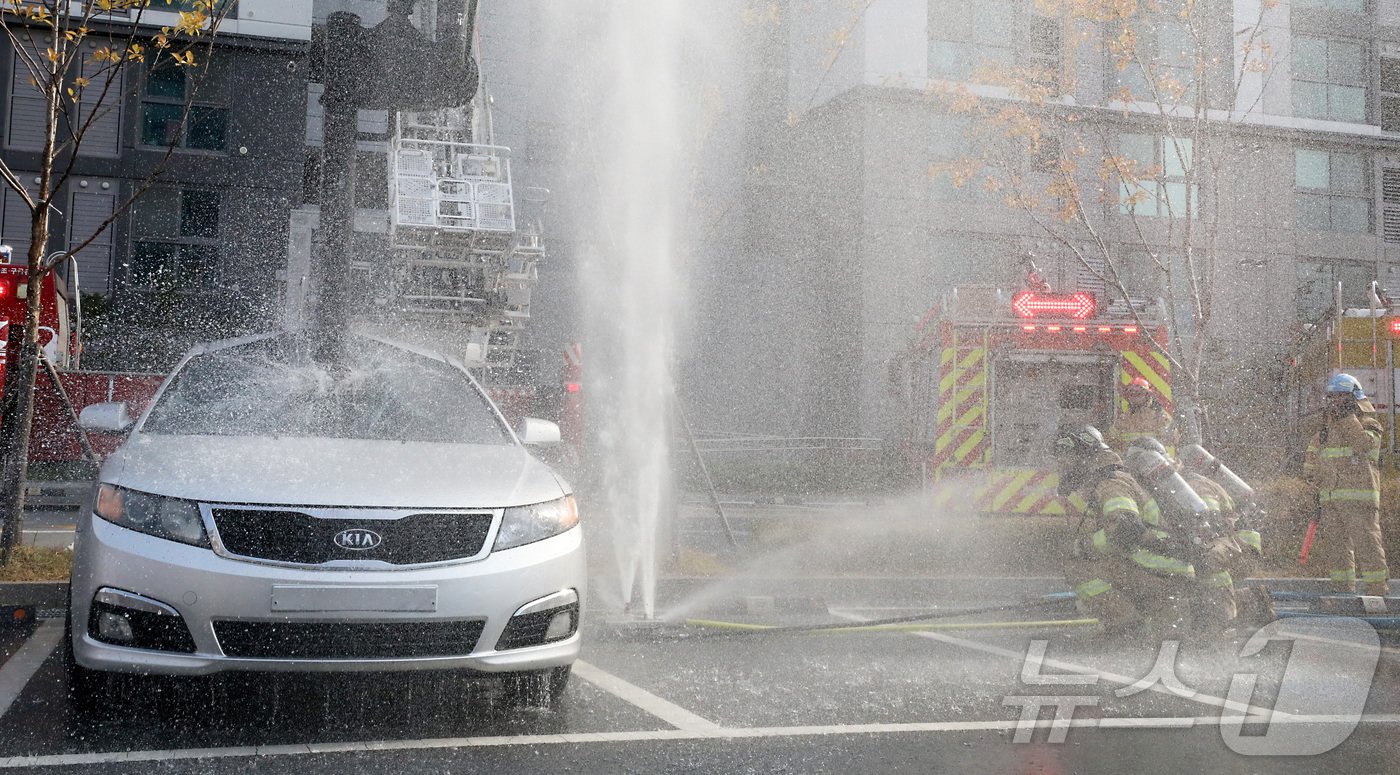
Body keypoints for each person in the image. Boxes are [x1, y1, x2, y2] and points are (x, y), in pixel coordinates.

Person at [1055, 424, 1195, 637]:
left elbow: (1124, 531)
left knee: (1077, 565)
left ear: (1083, 458)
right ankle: (1138, 619)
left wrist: (1082, 547)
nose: (1062, 468)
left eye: (1066, 460)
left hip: (1159, 566)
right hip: (1163, 564)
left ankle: (1126, 627)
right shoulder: (1114, 479)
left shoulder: (1112, 484)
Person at [1126, 437, 1243, 635]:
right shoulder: (1166, 485)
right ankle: (1215, 624)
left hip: (1204, 551)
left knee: (1207, 571)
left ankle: (1222, 621)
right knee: (1201, 593)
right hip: (1191, 554)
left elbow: (1210, 521)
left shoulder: (1186, 485)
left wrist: (1170, 544)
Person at [1303, 373, 1389, 596]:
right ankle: (1342, 592)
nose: (1335, 401)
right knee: (1337, 550)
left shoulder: (1370, 424)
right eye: (1332, 397)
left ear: (1353, 397)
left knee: (1368, 546)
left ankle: (1377, 592)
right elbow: (1311, 465)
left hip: (1360, 500)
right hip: (1331, 501)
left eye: (1340, 396)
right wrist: (1316, 488)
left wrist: (1347, 418)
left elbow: (1363, 445)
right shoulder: (1324, 432)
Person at [1109, 377, 1178, 453]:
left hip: (1155, 459)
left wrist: (1170, 434)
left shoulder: (1159, 418)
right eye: (1131, 394)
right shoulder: (1123, 420)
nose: (1134, 397)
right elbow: (1111, 443)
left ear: (1147, 396)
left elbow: (1172, 440)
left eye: (1138, 394)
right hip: (1130, 459)